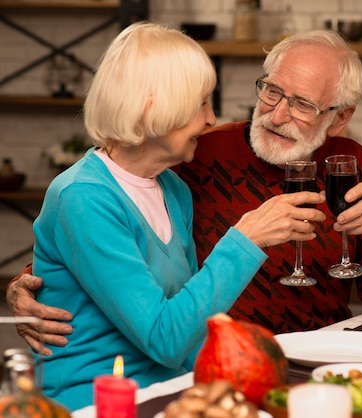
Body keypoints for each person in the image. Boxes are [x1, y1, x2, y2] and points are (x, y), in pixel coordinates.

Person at [7, 29, 362, 351]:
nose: (277, 114)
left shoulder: (351, 166)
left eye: (302, 104)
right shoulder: (197, 153)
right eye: (271, 91)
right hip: (205, 357)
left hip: (314, 355)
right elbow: (109, 220)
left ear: (339, 118)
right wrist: (30, 283)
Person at [23, 22, 325, 411]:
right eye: (201, 103)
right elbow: (164, 339)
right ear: (154, 108)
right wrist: (246, 240)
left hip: (170, 389)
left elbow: (191, 323)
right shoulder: (82, 198)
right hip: (90, 399)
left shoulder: (173, 189)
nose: (212, 118)